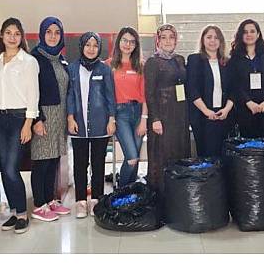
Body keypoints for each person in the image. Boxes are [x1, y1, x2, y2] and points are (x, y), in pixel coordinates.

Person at [0, 17, 39, 233]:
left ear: (22, 37)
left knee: (11, 168)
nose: (12, 37)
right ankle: (13, 211)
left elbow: (33, 95)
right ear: (2, 35)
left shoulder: (28, 61)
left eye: (16, 33)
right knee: (3, 169)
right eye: (8, 32)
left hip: (19, 118)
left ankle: (22, 214)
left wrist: (28, 124)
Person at [67, 32, 116, 218]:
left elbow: (110, 96)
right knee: (80, 164)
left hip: (100, 124)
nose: (91, 49)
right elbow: (70, 94)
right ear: (81, 46)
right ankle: (80, 201)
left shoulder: (104, 70)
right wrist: (70, 118)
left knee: (98, 164)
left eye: (95, 45)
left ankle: (97, 199)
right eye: (88, 45)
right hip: (78, 124)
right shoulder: (72, 68)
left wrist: (111, 119)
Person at [29, 17, 71, 222]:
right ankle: (39, 204)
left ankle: (50, 200)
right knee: (42, 161)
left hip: (60, 116)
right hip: (43, 116)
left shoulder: (61, 59)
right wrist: (37, 118)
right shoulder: (35, 58)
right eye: (49, 32)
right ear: (42, 34)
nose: (53, 36)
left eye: (57, 32)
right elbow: (30, 91)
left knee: (53, 159)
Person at [144, 23, 191, 195]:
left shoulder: (179, 60)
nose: (168, 41)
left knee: (179, 151)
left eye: (171, 37)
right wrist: (155, 119)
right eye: (163, 37)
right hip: (162, 116)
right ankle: (161, 196)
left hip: (180, 114)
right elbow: (149, 93)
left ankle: (178, 196)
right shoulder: (152, 62)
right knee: (162, 156)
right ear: (158, 41)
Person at [186, 25, 234, 157]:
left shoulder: (227, 62)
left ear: (221, 41)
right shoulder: (194, 59)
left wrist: (226, 109)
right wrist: (206, 111)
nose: (212, 40)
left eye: (216, 37)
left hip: (223, 115)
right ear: (202, 40)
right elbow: (192, 89)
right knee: (206, 155)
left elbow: (233, 90)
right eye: (209, 37)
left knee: (222, 155)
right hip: (203, 116)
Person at [109, 27, 147, 186]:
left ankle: (130, 196)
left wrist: (144, 120)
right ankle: (121, 194)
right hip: (120, 114)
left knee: (135, 158)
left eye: (132, 42)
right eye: (125, 40)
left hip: (138, 112)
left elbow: (145, 95)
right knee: (131, 158)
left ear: (136, 45)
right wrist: (110, 118)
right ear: (119, 42)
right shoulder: (108, 65)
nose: (128, 44)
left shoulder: (141, 65)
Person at [228, 19, 264, 139]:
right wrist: (248, 102)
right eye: (245, 32)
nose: (249, 34)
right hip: (245, 108)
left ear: (258, 34)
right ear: (240, 35)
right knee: (247, 145)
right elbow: (235, 83)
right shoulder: (235, 56)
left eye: (252, 31)